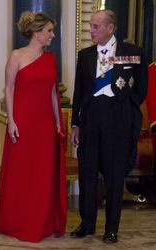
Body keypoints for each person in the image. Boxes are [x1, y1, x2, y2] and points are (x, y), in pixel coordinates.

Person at [70, 10, 148, 244]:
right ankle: (87, 223)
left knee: (114, 177)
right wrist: (75, 123)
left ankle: (111, 228)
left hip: (118, 120)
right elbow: (79, 92)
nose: (91, 30)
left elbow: (141, 90)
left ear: (110, 28)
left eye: (95, 26)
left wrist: (124, 108)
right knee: (87, 173)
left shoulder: (133, 53)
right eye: (91, 26)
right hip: (91, 119)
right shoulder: (85, 55)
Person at [0, 11, 67, 243]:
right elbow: (10, 90)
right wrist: (12, 120)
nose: (52, 35)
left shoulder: (51, 58)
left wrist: (57, 121)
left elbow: (53, 93)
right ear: (36, 33)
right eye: (49, 31)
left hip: (45, 124)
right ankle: (18, 221)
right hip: (23, 123)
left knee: (42, 175)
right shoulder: (16, 56)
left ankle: (42, 222)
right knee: (22, 174)